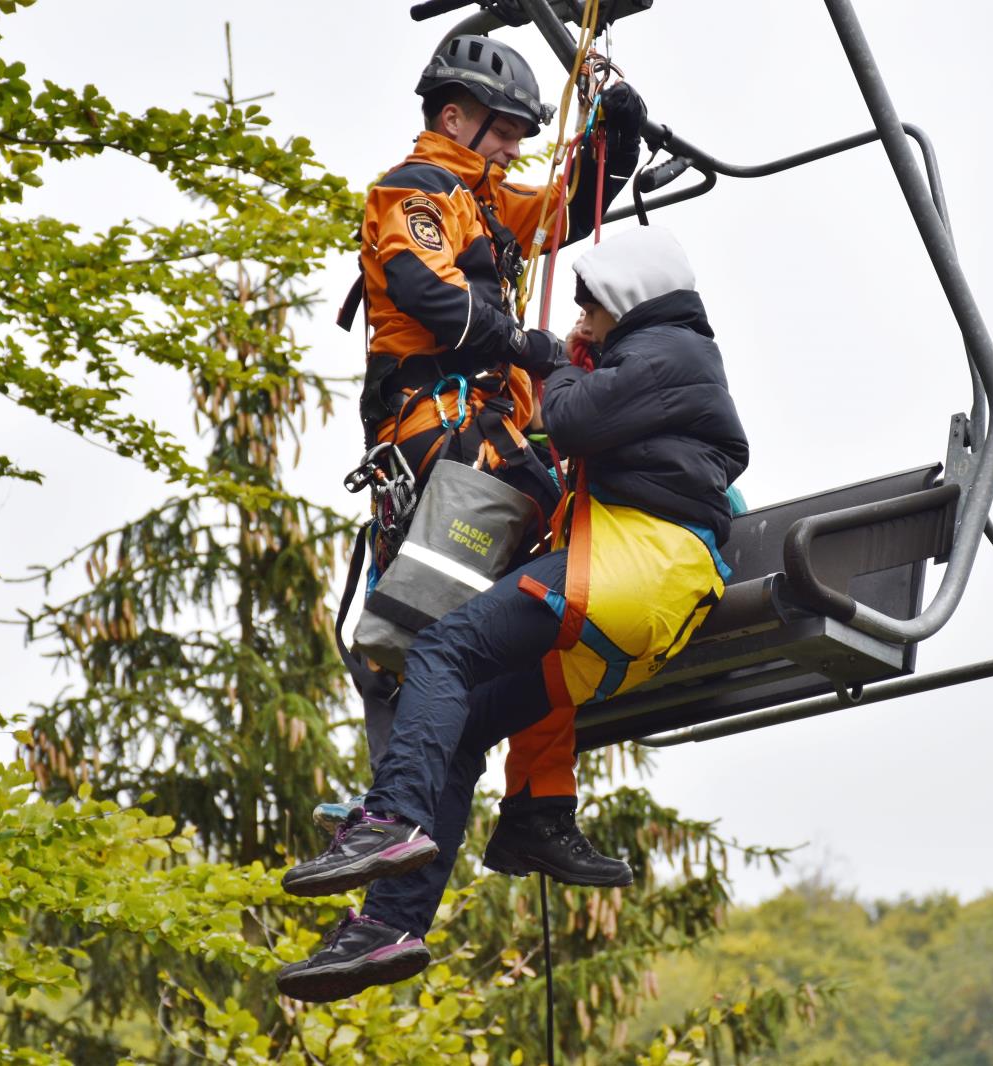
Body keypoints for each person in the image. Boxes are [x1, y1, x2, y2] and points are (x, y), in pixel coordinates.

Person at [276, 226, 748, 1002]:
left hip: (635, 570)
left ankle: (392, 820)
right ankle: (387, 929)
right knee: (459, 725)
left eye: (591, 310)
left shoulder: (675, 351)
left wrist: (551, 359)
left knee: (440, 654)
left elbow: (571, 420)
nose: (583, 326)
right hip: (623, 613)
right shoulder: (658, 361)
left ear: (627, 298)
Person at [323, 33, 646, 887]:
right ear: (454, 115)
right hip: (447, 434)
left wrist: (617, 143)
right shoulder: (418, 190)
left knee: (550, 610)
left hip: (491, 442)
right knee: (476, 615)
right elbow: (433, 297)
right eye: (502, 129)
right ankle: (402, 815)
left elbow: (565, 214)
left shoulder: (483, 198)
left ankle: (536, 808)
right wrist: (532, 345)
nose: (511, 146)